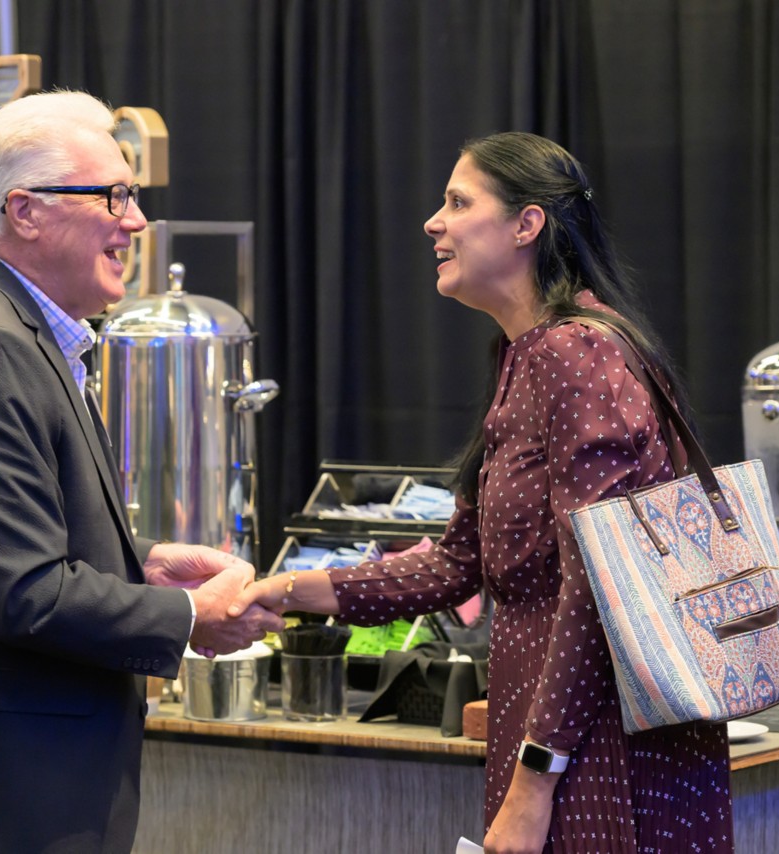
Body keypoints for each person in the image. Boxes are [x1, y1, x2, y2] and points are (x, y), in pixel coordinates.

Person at [231, 132, 733, 853]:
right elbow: (456, 563)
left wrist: (536, 779)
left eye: (458, 202)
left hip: (600, 755)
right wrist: (288, 593)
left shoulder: (575, 352)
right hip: (561, 746)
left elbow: (598, 587)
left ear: (527, 225)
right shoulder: (526, 355)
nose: (434, 222)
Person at [0, 91, 284, 854]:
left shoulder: (9, 324)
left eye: (133, 196)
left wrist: (140, 568)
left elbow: (12, 547)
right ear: (25, 212)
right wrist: (191, 617)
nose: (134, 221)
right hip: (0, 787)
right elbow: (22, 593)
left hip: (3, 775)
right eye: (114, 195)